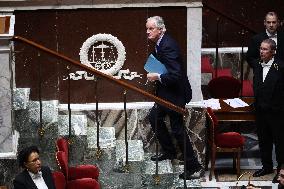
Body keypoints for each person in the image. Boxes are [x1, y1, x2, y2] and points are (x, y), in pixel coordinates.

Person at [145, 16, 201, 180]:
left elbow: (175, 75)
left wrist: (157, 77)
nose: (147, 32)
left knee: (178, 130)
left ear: (160, 29)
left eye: (151, 29)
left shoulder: (168, 46)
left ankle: (194, 167)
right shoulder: (161, 43)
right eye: (147, 28)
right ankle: (169, 151)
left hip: (175, 94)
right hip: (166, 93)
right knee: (154, 117)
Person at [247, 38, 284, 183]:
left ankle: (281, 171)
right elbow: (258, 85)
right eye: (261, 49)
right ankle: (266, 167)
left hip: (276, 111)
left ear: (273, 51)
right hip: (261, 110)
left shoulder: (280, 67)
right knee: (264, 140)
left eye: (265, 49)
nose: (261, 52)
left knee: (280, 143)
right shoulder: (256, 64)